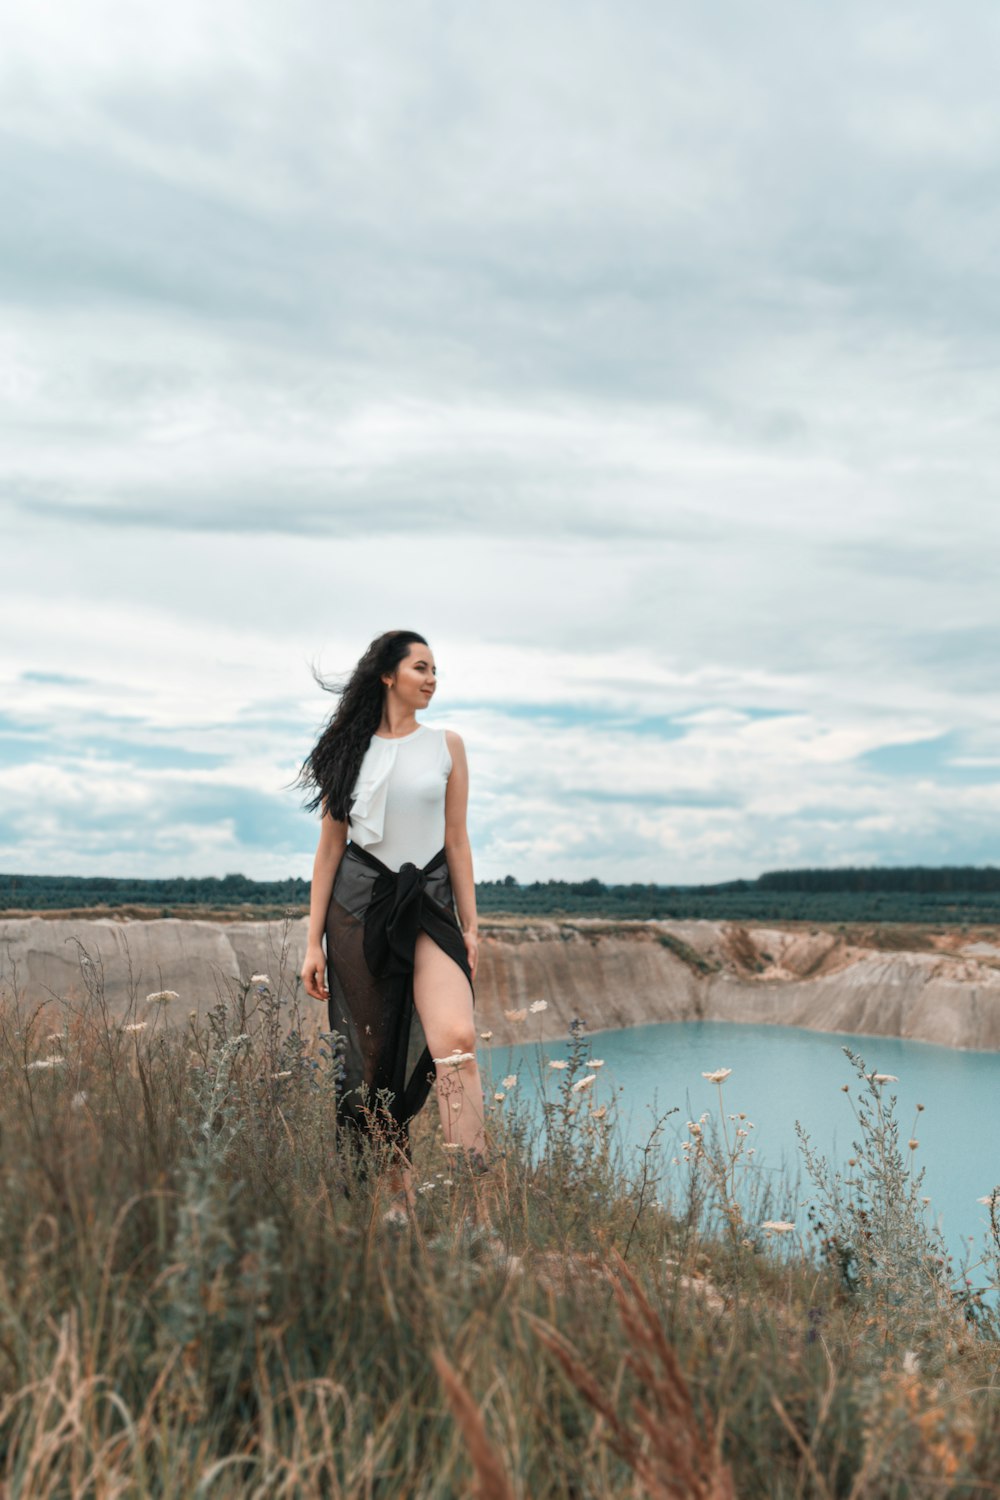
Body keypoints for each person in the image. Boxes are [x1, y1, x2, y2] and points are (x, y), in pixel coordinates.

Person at [296, 629, 490, 1222]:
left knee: (455, 1042)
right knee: (372, 1062)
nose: (432, 679)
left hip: (430, 903)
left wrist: (472, 926)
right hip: (357, 908)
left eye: (436, 671)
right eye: (421, 668)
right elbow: (330, 850)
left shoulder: (448, 746)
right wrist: (312, 942)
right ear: (388, 675)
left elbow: (457, 839)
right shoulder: (347, 749)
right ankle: (393, 1198)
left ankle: (476, 1212)